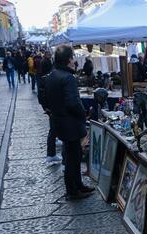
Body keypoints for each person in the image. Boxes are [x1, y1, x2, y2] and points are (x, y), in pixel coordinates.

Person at [44, 45, 95, 201]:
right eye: (73, 57)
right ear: (68, 60)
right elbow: (73, 103)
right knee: (73, 158)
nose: (74, 60)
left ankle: (78, 185)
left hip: (60, 122)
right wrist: (83, 114)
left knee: (73, 155)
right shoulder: (68, 78)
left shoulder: (53, 75)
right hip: (70, 124)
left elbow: (46, 99)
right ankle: (72, 191)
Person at [38, 51, 60, 164]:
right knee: (53, 131)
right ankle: (51, 154)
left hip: (51, 109)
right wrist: (47, 108)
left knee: (53, 130)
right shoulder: (50, 77)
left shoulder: (46, 77)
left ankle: (51, 154)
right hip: (54, 110)